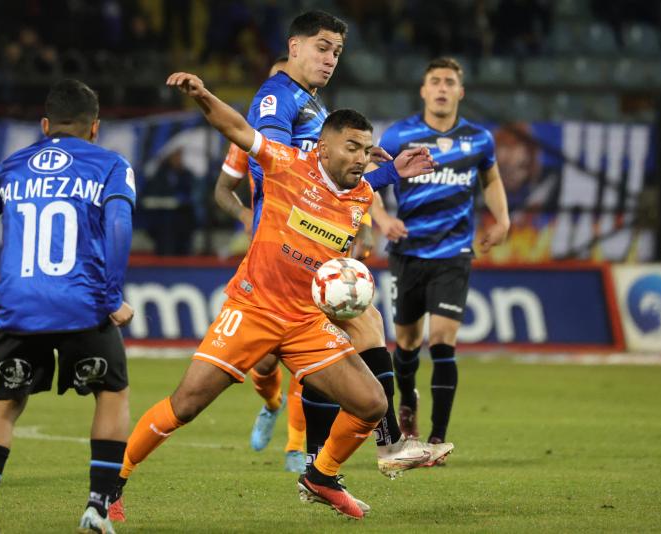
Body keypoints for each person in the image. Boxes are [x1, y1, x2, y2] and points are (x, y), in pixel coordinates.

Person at [116, 70, 437, 520]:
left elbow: (355, 187)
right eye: (352, 148)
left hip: (306, 321)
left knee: (371, 404)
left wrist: (392, 171)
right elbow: (237, 129)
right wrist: (204, 95)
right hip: (254, 310)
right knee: (186, 404)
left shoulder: (362, 193)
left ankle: (321, 475)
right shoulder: (284, 164)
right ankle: (113, 483)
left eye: (367, 150)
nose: (361, 159)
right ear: (322, 147)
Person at [213, 9, 449, 481]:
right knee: (328, 343)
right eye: (323, 48)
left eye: (337, 52)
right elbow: (274, 164)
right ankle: (352, 451)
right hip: (288, 245)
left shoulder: (313, 105)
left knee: (349, 336)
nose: (330, 60)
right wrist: (346, 159)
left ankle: (330, 460)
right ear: (294, 47)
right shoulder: (276, 98)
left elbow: (331, 178)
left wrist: (375, 165)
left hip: (312, 242)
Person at [0, 79, 136, 534]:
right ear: (95, 128)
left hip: (20, 307)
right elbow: (120, 228)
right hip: (83, 305)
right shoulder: (111, 164)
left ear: (45, 125)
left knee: (5, 404)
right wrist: (112, 298)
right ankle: (96, 508)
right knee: (111, 394)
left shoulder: (11, 166)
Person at [373, 57, 510, 451]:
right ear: (423, 90)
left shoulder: (479, 139)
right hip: (407, 252)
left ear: (460, 91)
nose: (442, 88)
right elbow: (369, 183)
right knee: (407, 344)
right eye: (435, 81)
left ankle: (437, 438)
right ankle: (408, 399)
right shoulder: (399, 135)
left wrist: (502, 219)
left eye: (450, 82)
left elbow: (492, 177)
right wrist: (382, 219)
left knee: (443, 341)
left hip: (454, 253)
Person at [214, 55, 309, 473]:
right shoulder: (248, 139)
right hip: (267, 253)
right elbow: (222, 189)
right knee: (266, 361)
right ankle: (271, 404)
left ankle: (296, 446)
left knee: (308, 358)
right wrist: (243, 217)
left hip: (311, 254)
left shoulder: (316, 133)